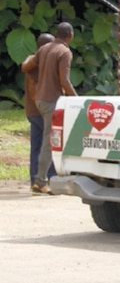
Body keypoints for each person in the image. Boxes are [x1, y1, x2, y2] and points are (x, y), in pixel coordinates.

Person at [32, 22, 78, 195]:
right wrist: (77, 100)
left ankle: (51, 176)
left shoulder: (44, 48)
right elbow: (64, 81)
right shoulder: (64, 52)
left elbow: (32, 66)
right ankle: (40, 182)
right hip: (52, 100)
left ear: (56, 33)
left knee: (50, 139)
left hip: (40, 98)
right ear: (70, 36)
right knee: (49, 142)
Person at [21, 32, 55, 193]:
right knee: (48, 144)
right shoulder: (39, 63)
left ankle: (35, 181)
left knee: (36, 146)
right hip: (41, 110)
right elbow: (34, 89)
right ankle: (49, 178)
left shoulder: (32, 60)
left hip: (31, 110)